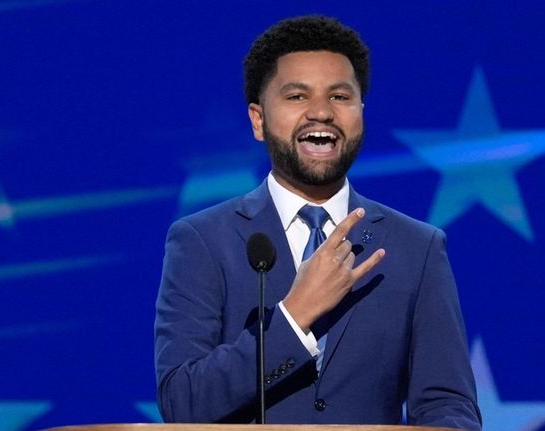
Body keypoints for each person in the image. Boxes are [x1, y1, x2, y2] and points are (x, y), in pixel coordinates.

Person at [154, 15, 482, 430]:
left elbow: (448, 409)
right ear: (258, 120)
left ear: (361, 111)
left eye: (340, 97)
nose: (322, 112)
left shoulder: (417, 248)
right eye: (296, 96)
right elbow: (182, 405)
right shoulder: (201, 241)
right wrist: (293, 316)